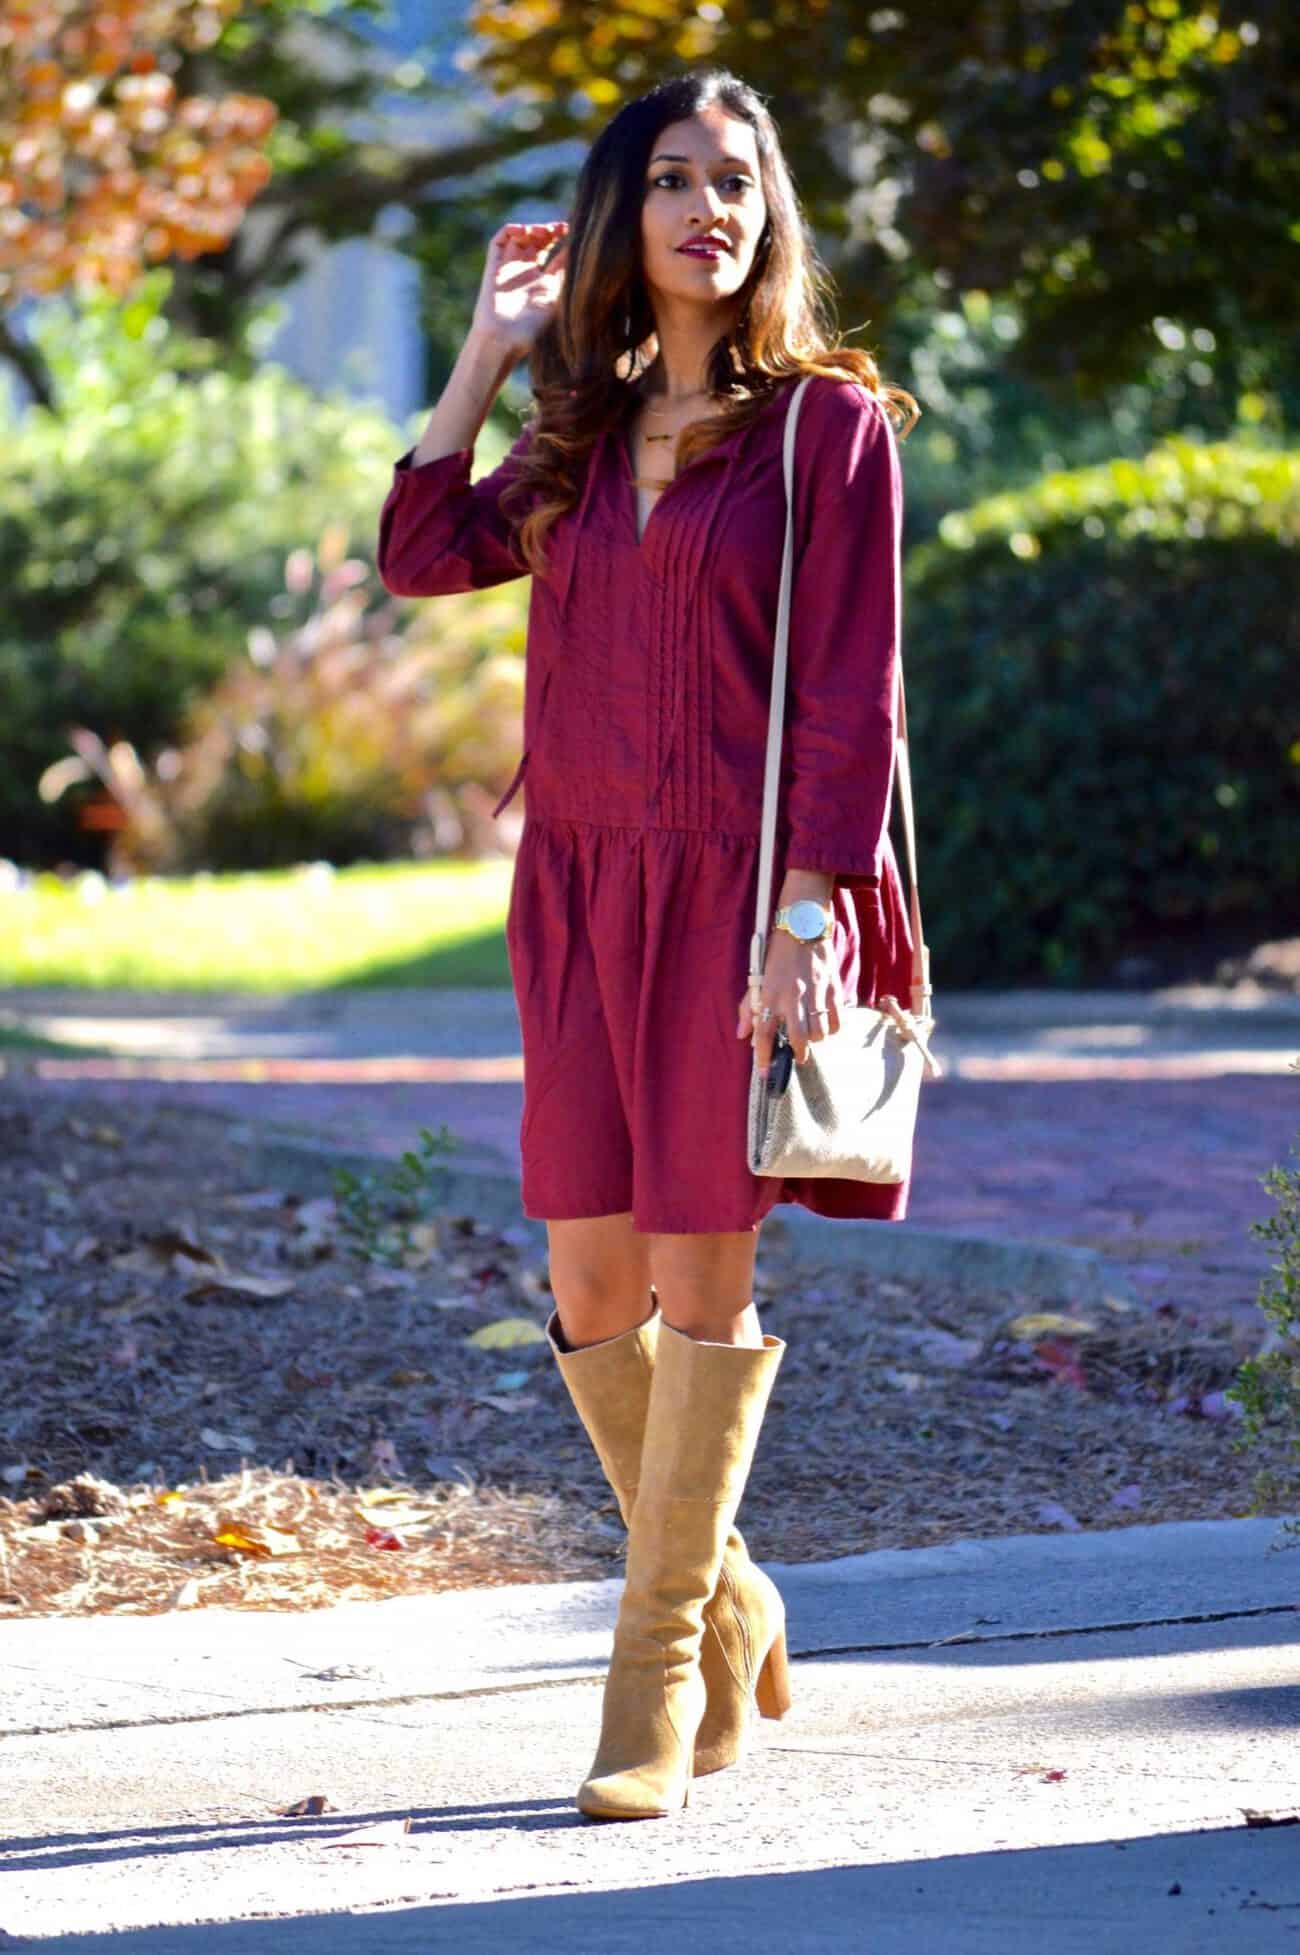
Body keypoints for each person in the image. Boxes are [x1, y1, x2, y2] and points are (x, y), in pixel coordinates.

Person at [376, 68, 921, 1822]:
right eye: (676, 180)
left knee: (705, 1287)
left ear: (769, 219)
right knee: (591, 1290)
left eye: (740, 182)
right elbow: (418, 552)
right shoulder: (579, 430)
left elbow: (852, 693)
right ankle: (734, 1597)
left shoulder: (828, 432)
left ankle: (651, 1682)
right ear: (631, 218)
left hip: (734, 895)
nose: (712, 208)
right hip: (579, 893)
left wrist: (807, 914)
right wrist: (481, 353)